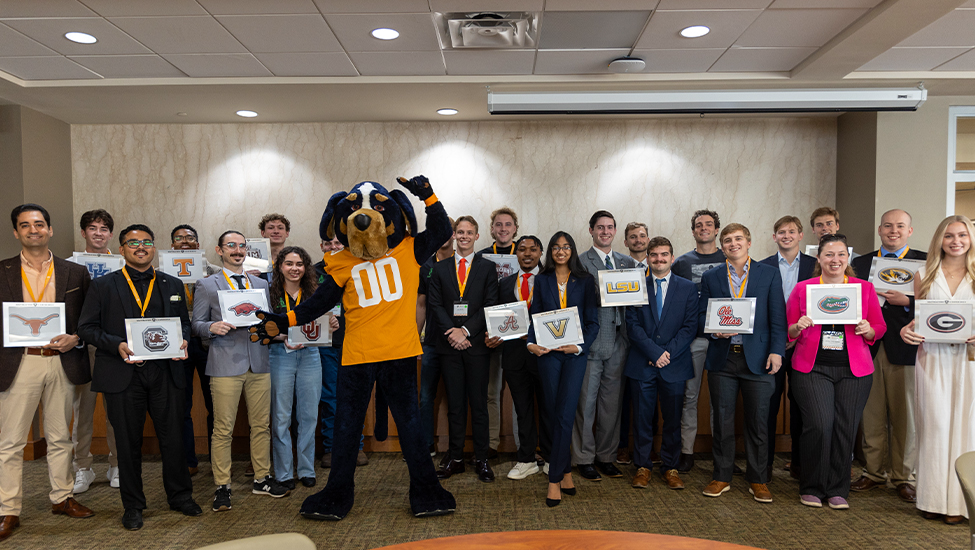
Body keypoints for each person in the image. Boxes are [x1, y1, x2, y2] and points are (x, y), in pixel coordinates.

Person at [78, 224, 202, 530]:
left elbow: (183, 324)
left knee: (172, 438)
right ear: (121, 250)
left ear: (154, 248)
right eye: (133, 243)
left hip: (165, 372)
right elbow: (87, 328)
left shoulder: (172, 284)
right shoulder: (103, 286)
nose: (140, 247)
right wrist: (115, 344)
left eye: (147, 242)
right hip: (122, 373)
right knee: (127, 442)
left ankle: (180, 496)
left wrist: (183, 339)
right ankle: (133, 505)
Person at [0, 204, 95, 542]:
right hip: (18, 361)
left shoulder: (74, 272)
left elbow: (88, 319)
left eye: (39, 224)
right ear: (16, 232)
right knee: (11, 442)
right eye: (25, 225)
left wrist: (77, 337)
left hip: (61, 360)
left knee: (60, 436)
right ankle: (8, 509)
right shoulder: (2, 271)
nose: (33, 230)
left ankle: (62, 497)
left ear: (50, 229)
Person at [192, 230, 290, 512]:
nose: (237, 250)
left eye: (241, 246)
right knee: (223, 429)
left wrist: (279, 332)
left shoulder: (260, 283)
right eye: (231, 246)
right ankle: (222, 485)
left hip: (259, 362)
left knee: (261, 425)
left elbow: (269, 321)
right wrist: (211, 327)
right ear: (219, 250)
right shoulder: (207, 284)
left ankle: (262, 478)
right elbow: (196, 324)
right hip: (224, 365)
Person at [787, 233, 886, 510]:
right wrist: (798, 326)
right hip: (812, 368)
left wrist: (869, 330)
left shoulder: (863, 288)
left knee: (845, 428)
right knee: (819, 425)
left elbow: (879, 327)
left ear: (848, 258)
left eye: (841, 254)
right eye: (829, 254)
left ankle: (838, 488)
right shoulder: (803, 289)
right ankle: (812, 486)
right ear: (819, 258)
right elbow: (788, 329)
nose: (835, 260)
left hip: (854, 371)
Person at [699, 223, 785, 503]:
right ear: (721, 245)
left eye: (738, 239)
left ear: (748, 242)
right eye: (727, 240)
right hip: (723, 358)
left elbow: (777, 318)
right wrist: (713, 329)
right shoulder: (711, 276)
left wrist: (776, 351)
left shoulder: (769, 274)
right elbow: (702, 317)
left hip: (759, 359)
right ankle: (721, 475)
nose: (732, 244)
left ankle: (758, 479)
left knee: (758, 422)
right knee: (722, 421)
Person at [900, 215, 975, 525]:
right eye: (948, 236)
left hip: (969, 361)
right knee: (934, 428)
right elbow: (920, 320)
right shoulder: (923, 274)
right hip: (932, 358)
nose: (955, 241)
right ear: (939, 240)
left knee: (966, 430)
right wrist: (907, 331)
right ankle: (931, 499)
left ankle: (961, 504)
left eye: (962, 235)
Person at [850, 209, 926, 503]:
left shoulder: (924, 261)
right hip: (867, 346)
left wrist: (908, 300)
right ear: (880, 230)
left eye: (900, 226)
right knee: (871, 413)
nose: (893, 231)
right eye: (888, 226)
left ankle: (904, 476)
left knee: (905, 415)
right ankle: (873, 471)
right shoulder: (861, 262)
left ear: (909, 230)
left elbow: (938, 302)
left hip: (906, 346)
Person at [527, 232, 599, 507]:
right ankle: (566, 471)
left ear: (572, 250)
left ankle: (554, 479)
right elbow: (535, 317)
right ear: (550, 252)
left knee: (566, 414)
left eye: (565, 247)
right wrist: (531, 343)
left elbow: (593, 322)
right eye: (556, 247)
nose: (560, 251)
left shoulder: (584, 280)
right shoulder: (542, 279)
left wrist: (579, 348)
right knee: (552, 413)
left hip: (573, 356)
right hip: (547, 355)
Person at [624, 236, 698, 490]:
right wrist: (654, 352)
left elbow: (690, 327)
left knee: (673, 419)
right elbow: (631, 326)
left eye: (664, 255)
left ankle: (671, 467)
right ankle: (643, 466)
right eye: (654, 255)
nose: (659, 259)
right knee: (642, 419)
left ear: (672, 258)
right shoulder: (636, 286)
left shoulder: (687, 288)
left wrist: (666, 354)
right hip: (642, 363)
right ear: (647, 258)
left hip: (674, 365)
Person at [429, 216, 499, 482]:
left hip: (477, 345)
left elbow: (490, 304)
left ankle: (481, 459)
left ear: (477, 236)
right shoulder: (441, 268)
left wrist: (466, 331)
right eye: (460, 232)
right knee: (455, 405)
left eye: (470, 232)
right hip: (449, 347)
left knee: (479, 404)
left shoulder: (487, 268)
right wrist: (453, 334)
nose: (465, 236)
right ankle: (456, 457)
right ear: (454, 235)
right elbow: (435, 305)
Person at [574, 210, 638, 481]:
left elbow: (635, 299)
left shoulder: (627, 262)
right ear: (591, 230)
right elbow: (576, 300)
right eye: (600, 227)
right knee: (586, 404)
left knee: (611, 405)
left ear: (615, 231)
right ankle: (584, 458)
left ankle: (606, 456)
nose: (605, 232)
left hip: (621, 342)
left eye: (610, 227)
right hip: (592, 341)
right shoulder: (580, 262)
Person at [487, 235, 551, 480]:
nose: (527, 254)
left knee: (548, 407)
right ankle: (526, 459)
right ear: (516, 254)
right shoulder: (504, 283)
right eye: (522, 249)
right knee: (522, 410)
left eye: (533, 249)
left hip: (545, 355)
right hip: (514, 356)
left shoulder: (552, 279)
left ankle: (550, 457)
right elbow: (497, 317)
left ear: (540, 253)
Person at [759, 215, 816, 481]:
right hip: (772, 344)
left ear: (801, 235)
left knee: (802, 405)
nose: (786, 236)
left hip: (806, 344)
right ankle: (765, 464)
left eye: (791, 231)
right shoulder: (762, 267)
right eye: (781, 232)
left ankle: (800, 463)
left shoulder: (816, 266)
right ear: (774, 237)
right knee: (768, 404)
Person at [672, 209, 726, 473]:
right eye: (698, 225)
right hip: (692, 340)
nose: (703, 228)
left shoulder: (731, 258)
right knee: (688, 397)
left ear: (717, 229)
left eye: (708, 224)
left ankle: (722, 456)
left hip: (723, 339)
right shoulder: (681, 263)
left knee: (721, 400)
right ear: (693, 231)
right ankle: (687, 452)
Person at [72, 209, 120, 493]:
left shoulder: (122, 264)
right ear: (84, 233)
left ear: (111, 235)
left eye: (104, 229)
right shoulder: (69, 266)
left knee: (116, 410)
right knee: (84, 411)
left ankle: (117, 464)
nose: (98, 233)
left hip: (114, 345)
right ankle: (82, 468)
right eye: (93, 228)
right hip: (82, 347)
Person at [267, 247, 323, 489]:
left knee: (309, 416)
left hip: (311, 354)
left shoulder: (315, 292)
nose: (294, 268)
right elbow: (260, 326)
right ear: (280, 266)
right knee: (281, 417)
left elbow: (327, 321)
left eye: (299, 264)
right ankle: (284, 473)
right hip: (280, 354)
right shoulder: (268, 293)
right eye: (289, 263)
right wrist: (282, 337)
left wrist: (331, 321)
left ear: (305, 267)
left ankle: (306, 469)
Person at [314, 237, 368, 468]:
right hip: (325, 345)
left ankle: (356, 447)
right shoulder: (311, 272)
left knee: (355, 397)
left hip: (356, 343)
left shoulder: (361, 268)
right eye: (328, 243)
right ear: (321, 246)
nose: (333, 247)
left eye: (338, 243)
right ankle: (331, 447)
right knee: (330, 397)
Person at [170, 224, 215, 477]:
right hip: (177, 344)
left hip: (209, 344)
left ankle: (216, 458)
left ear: (198, 244)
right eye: (179, 238)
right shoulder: (160, 273)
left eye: (190, 238)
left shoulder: (216, 272)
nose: (184, 242)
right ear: (172, 244)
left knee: (215, 404)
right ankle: (189, 460)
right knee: (181, 405)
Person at [477, 207, 519, 458]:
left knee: (520, 394)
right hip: (490, 336)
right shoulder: (480, 257)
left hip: (518, 336)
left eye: (508, 225)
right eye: (499, 225)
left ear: (515, 228)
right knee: (491, 394)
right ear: (492, 229)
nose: (503, 229)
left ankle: (522, 446)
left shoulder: (527, 254)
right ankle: (491, 444)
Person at [416, 225, 455, 457]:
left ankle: (455, 448)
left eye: (447, 231)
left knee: (456, 397)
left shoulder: (463, 263)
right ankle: (426, 445)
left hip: (457, 342)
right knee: (426, 397)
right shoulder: (425, 266)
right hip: (430, 342)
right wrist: (414, 338)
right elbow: (421, 304)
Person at [618, 221, 651, 466]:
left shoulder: (661, 266)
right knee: (622, 397)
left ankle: (650, 448)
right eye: (633, 237)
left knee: (650, 397)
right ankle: (621, 446)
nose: (638, 240)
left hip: (652, 343)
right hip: (623, 339)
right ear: (626, 242)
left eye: (642, 236)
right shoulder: (620, 267)